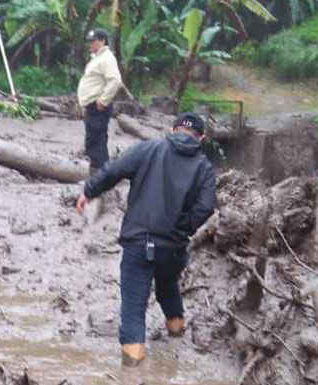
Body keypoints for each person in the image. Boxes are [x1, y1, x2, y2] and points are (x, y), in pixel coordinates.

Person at [76, 112, 216, 367]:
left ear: (172, 130)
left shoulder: (149, 149)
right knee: (168, 285)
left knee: (133, 305)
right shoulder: (204, 167)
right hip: (173, 245)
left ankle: (132, 365)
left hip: (139, 242)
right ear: (202, 138)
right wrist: (182, 228)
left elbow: (114, 170)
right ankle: (176, 330)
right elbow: (206, 206)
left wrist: (89, 190)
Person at [77, 28, 122, 173]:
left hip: (98, 107)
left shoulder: (107, 58)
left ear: (102, 41)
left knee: (96, 142)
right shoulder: (97, 58)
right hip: (92, 106)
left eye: (93, 41)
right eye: (90, 41)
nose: (90, 44)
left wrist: (103, 100)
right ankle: (98, 175)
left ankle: (100, 176)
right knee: (93, 141)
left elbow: (115, 81)